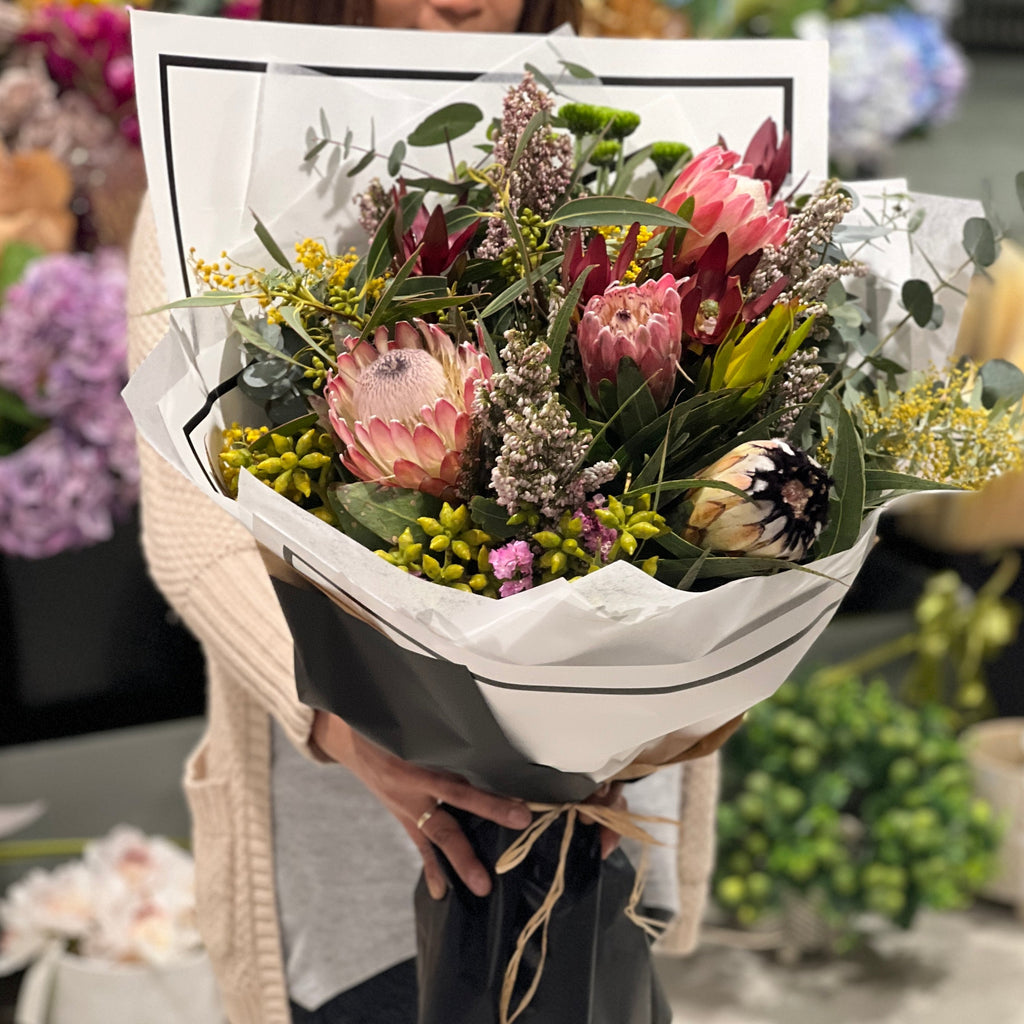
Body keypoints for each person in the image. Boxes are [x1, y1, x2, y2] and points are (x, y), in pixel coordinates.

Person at [127, 2, 724, 1021]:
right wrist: (345, 730)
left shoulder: (627, 149)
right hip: (356, 868)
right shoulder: (223, 168)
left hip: (599, 845)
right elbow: (188, 524)